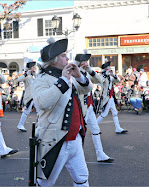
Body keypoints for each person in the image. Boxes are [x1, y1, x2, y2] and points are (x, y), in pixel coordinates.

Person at [32, 37, 92, 186]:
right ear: (54, 60)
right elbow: (41, 103)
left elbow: (87, 89)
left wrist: (78, 76)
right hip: (55, 139)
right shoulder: (42, 79)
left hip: (75, 138)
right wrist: (63, 81)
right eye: (63, 55)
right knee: (45, 182)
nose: (67, 58)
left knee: (82, 178)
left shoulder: (68, 76)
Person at [75, 50, 114, 162]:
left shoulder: (86, 72)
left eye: (86, 61)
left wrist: (89, 70)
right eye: (84, 61)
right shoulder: (75, 73)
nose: (86, 63)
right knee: (77, 132)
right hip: (80, 107)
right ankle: (72, 156)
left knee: (95, 129)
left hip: (89, 106)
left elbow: (100, 80)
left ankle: (100, 154)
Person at [97, 59, 128, 134]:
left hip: (111, 96)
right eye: (109, 67)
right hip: (106, 97)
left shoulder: (110, 76)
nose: (110, 68)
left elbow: (117, 81)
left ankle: (118, 128)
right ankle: (94, 127)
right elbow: (101, 81)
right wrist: (106, 74)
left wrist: (113, 75)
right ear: (106, 68)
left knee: (114, 112)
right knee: (104, 114)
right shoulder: (102, 75)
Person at [16, 60, 37, 132]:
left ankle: (40, 126)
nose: (35, 68)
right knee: (26, 111)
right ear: (31, 67)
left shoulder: (34, 75)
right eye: (34, 67)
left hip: (36, 96)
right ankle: (20, 124)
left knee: (40, 111)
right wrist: (25, 74)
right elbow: (18, 80)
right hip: (29, 96)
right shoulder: (26, 75)